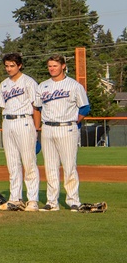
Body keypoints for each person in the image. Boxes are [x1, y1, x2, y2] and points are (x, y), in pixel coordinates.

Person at [36, 55, 90, 211]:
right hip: (48, 128)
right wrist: (37, 128)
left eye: (55, 65)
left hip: (67, 127)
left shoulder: (73, 85)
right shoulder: (43, 86)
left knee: (69, 166)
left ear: (63, 66)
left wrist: (74, 121)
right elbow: (38, 108)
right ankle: (51, 202)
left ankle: (73, 200)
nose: (52, 68)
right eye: (49, 66)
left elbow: (85, 107)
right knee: (50, 166)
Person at [0, 53, 41, 211]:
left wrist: (37, 129)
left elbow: (36, 107)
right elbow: (2, 105)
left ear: (19, 65)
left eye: (12, 65)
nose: (9, 69)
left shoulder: (29, 82)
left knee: (29, 162)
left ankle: (33, 200)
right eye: (7, 66)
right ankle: (15, 199)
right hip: (7, 121)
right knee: (12, 163)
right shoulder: (4, 84)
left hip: (24, 120)